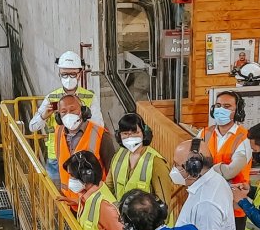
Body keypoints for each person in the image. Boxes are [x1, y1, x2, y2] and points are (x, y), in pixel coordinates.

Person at [29, 50, 96, 182]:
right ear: (59, 74)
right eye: (64, 74)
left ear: (80, 74)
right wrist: (43, 116)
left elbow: (99, 126)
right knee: (56, 193)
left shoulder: (90, 97)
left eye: (72, 74)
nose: (68, 78)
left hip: (82, 155)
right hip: (56, 157)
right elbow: (32, 127)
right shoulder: (51, 98)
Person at [199, 91, 253, 230]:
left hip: (233, 205)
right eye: (218, 105)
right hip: (208, 202)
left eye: (227, 106)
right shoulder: (204, 133)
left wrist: (204, 169)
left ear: (237, 111)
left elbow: (230, 172)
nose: (221, 109)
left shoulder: (245, 138)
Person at [54, 94, 117, 206]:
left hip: (94, 203)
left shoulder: (100, 135)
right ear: (58, 116)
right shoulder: (58, 132)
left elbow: (112, 172)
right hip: (67, 202)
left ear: (83, 111)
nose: (68, 114)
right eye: (63, 111)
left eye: (72, 110)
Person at [65, 150, 122, 230]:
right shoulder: (87, 197)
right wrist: (77, 202)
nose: (70, 180)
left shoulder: (103, 205)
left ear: (87, 176)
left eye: (72, 176)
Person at [171, 138, 237, 230]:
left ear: (193, 168)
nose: (173, 168)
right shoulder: (215, 178)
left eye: (176, 165)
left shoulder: (206, 204)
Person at [107, 113, 174, 206]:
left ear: (144, 134)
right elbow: (108, 188)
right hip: (121, 214)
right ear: (119, 136)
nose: (130, 137)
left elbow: (163, 203)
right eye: (125, 134)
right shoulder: (119, 155)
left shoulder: (156, 161)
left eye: (135, 133)